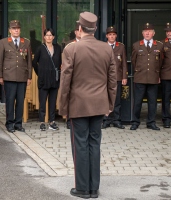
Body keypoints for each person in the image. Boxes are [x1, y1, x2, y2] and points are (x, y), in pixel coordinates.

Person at [59, 12, 116, 199]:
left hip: (79, 105)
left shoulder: (71, 49)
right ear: (96, 29)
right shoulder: (107, 49)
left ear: (80, 29)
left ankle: (82, 188)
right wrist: (110, 104)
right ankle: (94, 188)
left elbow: (65, 81)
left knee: (80, 145)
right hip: (99, 104)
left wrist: (63, 107)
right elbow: (112, 80)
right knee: (94, 144)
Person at [0, 20, 32, 133]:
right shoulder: (3, 42)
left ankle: (18, 123)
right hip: (9, 76)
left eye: (18, 28)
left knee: (20, 101)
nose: (16, 30)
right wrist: (0, 76)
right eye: (14, 28)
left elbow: (29, 61)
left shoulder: (26, 42)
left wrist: (29, 76)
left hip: (22, 76)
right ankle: (10, 123)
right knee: (10, 100)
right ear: (10, 30)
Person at [130, 23, 163, 131]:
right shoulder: (136, 45)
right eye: (145, 31)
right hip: (140, 77)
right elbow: (134, 61)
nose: (147, 33)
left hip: (153, 77)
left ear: (154, 33)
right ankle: (135, 122)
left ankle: (151, 122)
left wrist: (157, 74)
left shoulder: (159, 45)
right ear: (142, 33)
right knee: (138, 101)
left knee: (153, 102)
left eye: (149, 31)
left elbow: (161, 61)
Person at [32, 28, 62, 131]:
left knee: (53, 102)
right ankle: (42, 122)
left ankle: (52, 121)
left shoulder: (58, 48)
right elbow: (34, 62)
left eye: (51, 35)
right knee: (42, 102)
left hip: (54, 79)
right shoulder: (40, 48)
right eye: (47, 35)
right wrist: (39, 73)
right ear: (44, 37)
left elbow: (60, 63)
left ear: (53, 37)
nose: (49, 37)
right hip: (43, 79)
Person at [102, 26, 128, 129]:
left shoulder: (121, 46)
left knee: (117, 100)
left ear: (116, 35)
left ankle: (116, 120)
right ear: (106, 36)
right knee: (106, 99)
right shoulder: (103, 46)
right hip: (105, 78)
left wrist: (124, 76)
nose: (112, 36)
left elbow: (124, 63)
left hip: (117, 77)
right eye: (110, 35)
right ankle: (106, 120)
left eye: (113, 34)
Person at [65, 22, 81, 129]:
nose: (80, 32)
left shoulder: (89, 44)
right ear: (75, 32)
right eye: (79, 30)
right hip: (73, 76)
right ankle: (69, 120)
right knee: (71, 99)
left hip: (84, 77)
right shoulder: (70, 45)